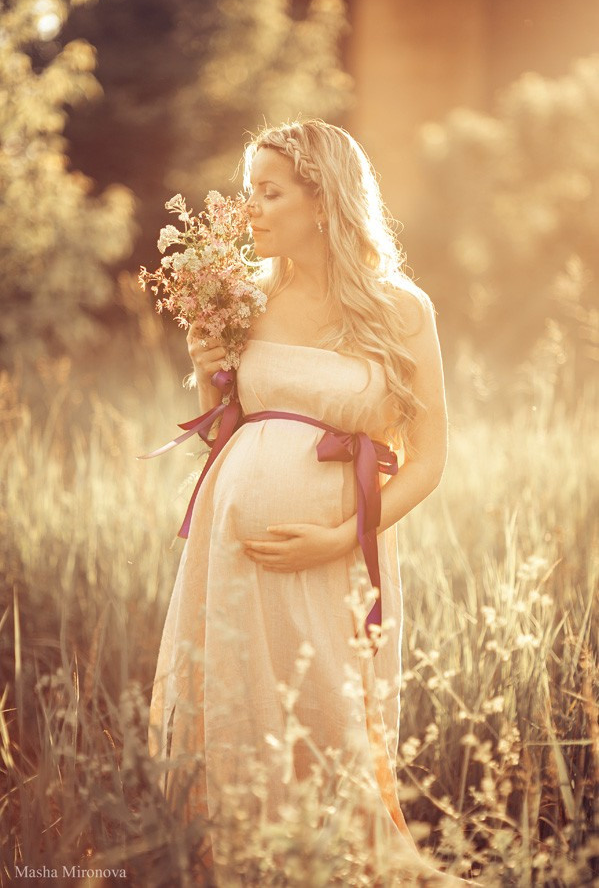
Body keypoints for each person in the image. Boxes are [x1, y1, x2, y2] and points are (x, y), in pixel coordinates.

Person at [148, 119, 470, 885]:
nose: (248, 208)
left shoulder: (399, 309)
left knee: (326, 707)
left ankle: (335, 866)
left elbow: (428, 459)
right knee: (236, 705)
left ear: (322, 201)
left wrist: (339, 536)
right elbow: (224, 430)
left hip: (340, 548)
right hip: (230, 552)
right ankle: (238, 862)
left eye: (268, 192)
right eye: (246, 190)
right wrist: (205, 366)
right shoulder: (241, 297)